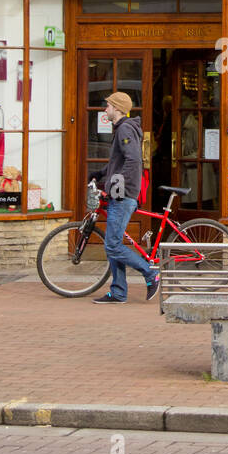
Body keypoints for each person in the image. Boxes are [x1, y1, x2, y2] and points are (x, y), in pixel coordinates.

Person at [88, 91, 159, 304]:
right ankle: (118, 292)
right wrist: (100, 174)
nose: (105, 109)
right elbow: (118, 162)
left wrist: (114, 185)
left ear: (117, 108)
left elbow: (133, 161)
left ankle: (150, 273)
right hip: (121, 192)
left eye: (108, 106)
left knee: (111, 245)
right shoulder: (122, 129)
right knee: (114, 243)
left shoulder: (125, 129)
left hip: (123, 194)